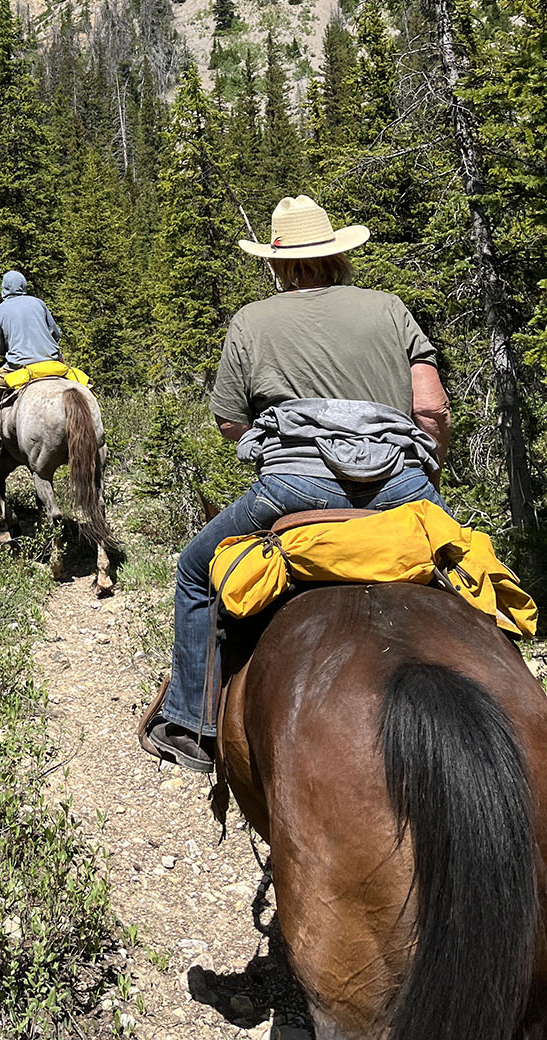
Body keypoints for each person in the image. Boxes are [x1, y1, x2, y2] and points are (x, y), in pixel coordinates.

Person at [142, 195, 452, 776]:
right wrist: (424, 474)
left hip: (294, 490)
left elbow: (229, 419)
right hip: (401, 486)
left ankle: (192, 724)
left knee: (194, 569)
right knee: (465, 570)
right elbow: (431, 408)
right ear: (337, 254)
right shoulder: (388, 308)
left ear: (278, 264)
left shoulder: (251, 322)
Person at [0, 270, 64, 464]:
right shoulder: (39, 303)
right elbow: (56, 333)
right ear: (23, 286)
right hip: (53, 361)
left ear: (4, 288)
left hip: (19, 366)